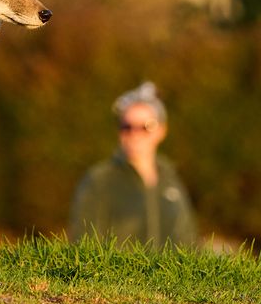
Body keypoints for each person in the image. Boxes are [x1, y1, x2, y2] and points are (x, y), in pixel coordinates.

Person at [69, 82, 196, 248]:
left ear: (162, 130)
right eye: (126, 126)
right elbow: (83, 246)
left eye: (146, 126)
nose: (135, 134)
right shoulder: (99, 181)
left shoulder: (172, 182)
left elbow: (190, 244)